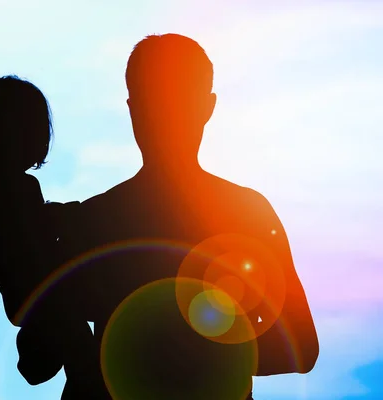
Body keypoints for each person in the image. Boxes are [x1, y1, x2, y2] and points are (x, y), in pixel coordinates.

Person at [26, 34, 320, 399]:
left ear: (132, 109)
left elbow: (35, 362)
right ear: (207, 108)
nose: (164, 116)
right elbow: (301, 347)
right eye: (156, 103)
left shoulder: (91, 221)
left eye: (174, 102)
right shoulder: (248, 213)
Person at [0, 75, 96, 396]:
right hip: (44, 293)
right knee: (89, 367)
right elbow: (36, 240)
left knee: (85, 364)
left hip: (27, 297)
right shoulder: (14, 186)